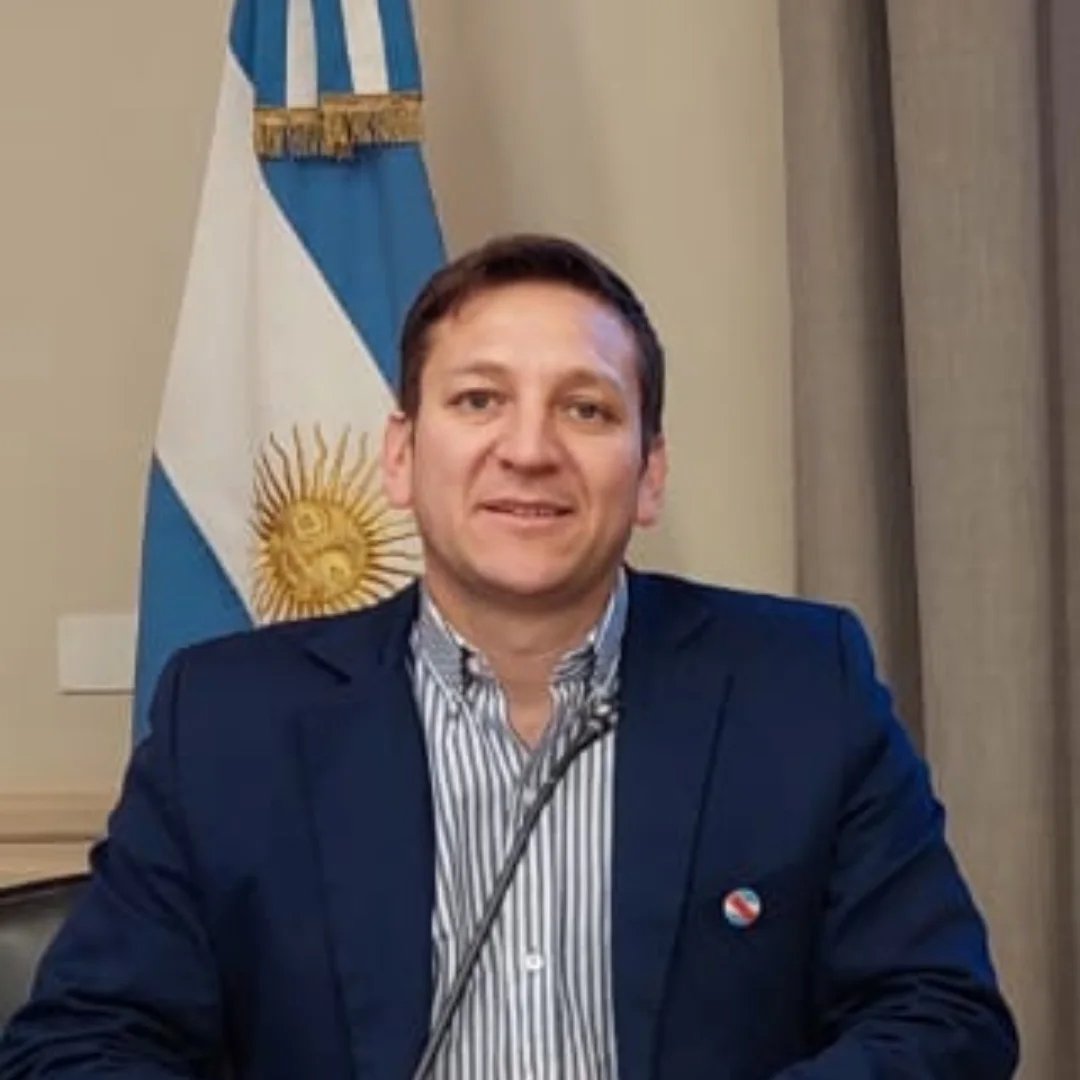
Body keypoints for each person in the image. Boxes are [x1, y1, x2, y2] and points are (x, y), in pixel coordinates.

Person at [0, 235, 1017, 1078]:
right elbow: (81, 1046)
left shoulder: (799, 686)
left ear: (649, 474)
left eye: (587, 409)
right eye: (479, 400)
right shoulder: (228, 723)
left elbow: (943, 1015)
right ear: (402, 456)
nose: (529, 450)